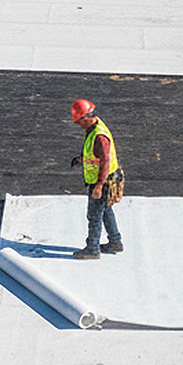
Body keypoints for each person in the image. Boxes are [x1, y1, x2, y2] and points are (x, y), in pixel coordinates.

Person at [69, 99, 123, 260]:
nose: (79, 125)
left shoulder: (99, 136)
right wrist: (83, 160)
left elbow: (105, 160)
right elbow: (97, 156)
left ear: (85, 118)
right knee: (105, 209)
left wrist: (99, 185)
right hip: (107, 177)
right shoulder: (94, 127)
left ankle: (92, 249)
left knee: (94, 215)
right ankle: (115, 241)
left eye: (79, 122)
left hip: (104, 180)